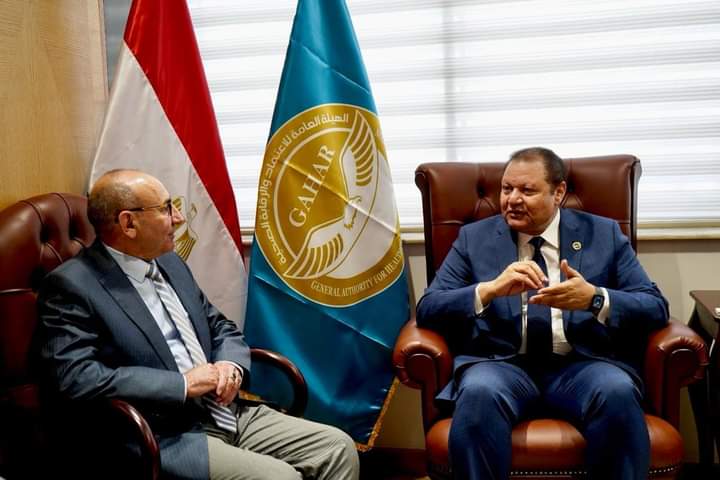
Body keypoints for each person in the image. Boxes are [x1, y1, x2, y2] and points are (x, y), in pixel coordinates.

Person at [37, 169, 359, 480]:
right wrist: (181, 384)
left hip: (223, 409)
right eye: (166, 208)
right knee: (280, 477)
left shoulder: (170, 262)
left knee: (337, 448)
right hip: (163, 431)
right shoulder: (73, 286)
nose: (178, 217)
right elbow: (77, 377)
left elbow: (219, 326)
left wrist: (230, 364)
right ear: (128, 223)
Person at [416, 147, 669, 480]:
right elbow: (429, 308)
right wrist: (488, 290)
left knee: (617, 391)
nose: (512, 200)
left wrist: (594, 299)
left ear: (558, 193)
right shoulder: (474, 238)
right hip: (502, 366)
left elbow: (655, 307)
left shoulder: (603, 234)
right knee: (478, 393)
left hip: (582, 365)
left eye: (527, 190)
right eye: (506, 189)